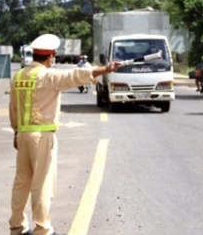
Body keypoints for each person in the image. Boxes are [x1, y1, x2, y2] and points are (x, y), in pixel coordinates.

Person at [8, 34, 121, 235]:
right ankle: (43, 229)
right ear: (51, 57)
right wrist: (107, 68)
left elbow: (13, 108)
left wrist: (16, 131)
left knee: (21, 182)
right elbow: (75, 76)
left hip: (23, 135)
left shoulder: (18, 77)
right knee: (42, 183)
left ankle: (17, 227)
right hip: (42, 137)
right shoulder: (48, 76)